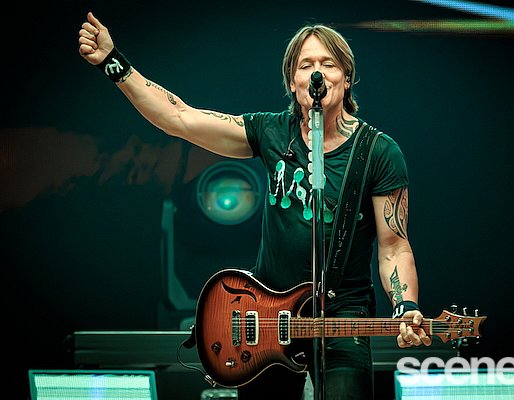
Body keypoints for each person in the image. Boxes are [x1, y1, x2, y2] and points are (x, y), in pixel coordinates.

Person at [78, 11, 432, 400]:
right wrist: (113, 62)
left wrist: (405, 305)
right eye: (306, 65)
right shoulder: (271, 131)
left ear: (346, 78)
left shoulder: (378, 152)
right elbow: (179, 118)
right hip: (266, 313)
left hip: (342, 313)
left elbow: (394, 245)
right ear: (293, 82)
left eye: (328, 63)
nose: (317, 72)